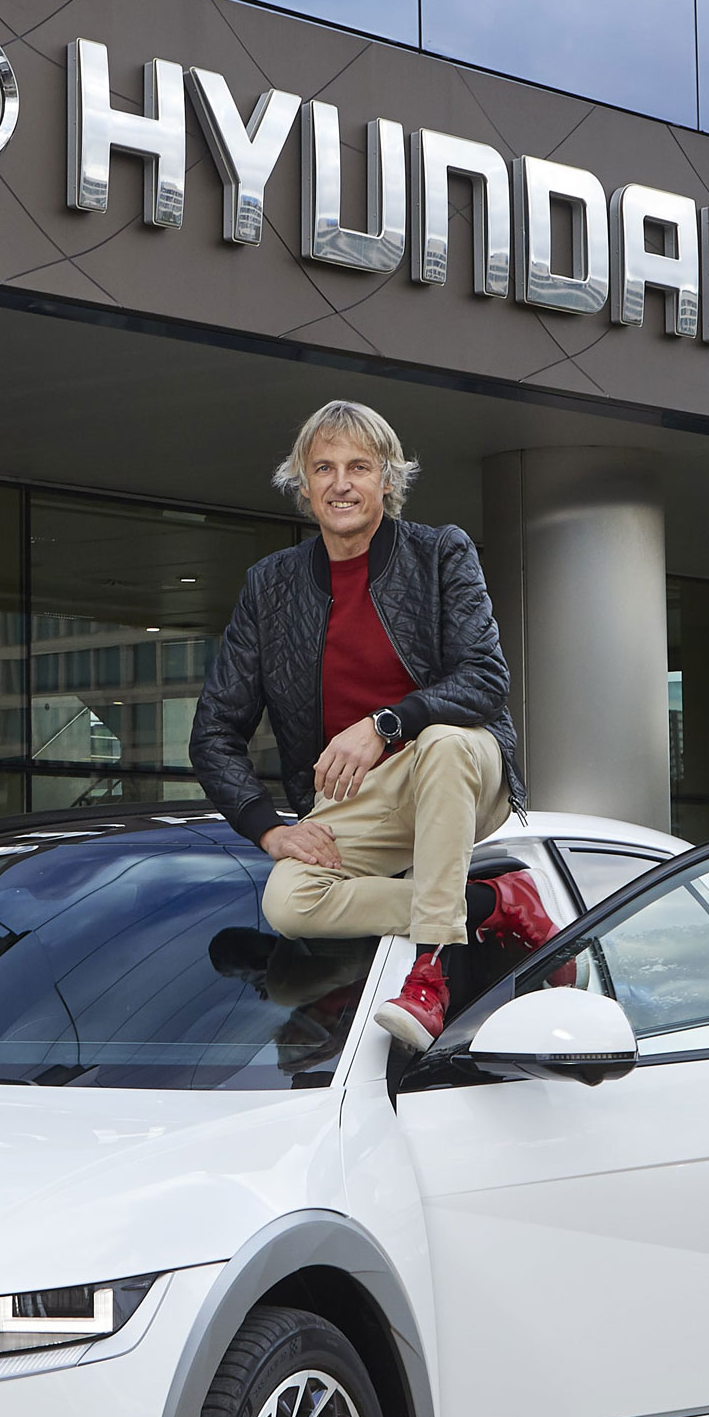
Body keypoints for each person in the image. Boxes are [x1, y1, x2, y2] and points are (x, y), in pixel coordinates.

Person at [190, 399, 558, 1051]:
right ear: (301, 484)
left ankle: (432, 971)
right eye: (323, 468)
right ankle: (491, 904)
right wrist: (268, 828)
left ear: (389, 479)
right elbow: (214, 730)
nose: (341, 483)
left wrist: (386, 723)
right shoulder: (271, 586)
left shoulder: (440, 552)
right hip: (357, 800)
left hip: (456, 771)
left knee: (442, 741)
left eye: (359, 467)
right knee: (288, 903)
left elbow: (484, 678)